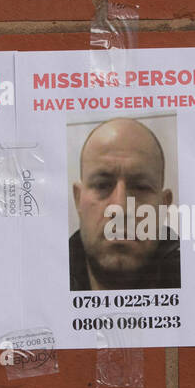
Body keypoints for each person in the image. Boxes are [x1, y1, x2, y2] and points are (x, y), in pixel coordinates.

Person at [69, 117, 180, 291]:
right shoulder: (44, 289)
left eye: (141, 187)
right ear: (78, 200)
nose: (120, 208)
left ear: (164, 206)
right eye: (102, 185)